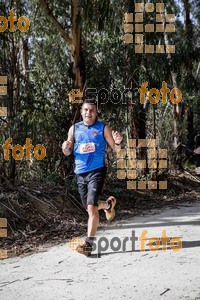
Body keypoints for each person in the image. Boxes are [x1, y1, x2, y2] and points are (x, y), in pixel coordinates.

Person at [62, 100, 123, 256]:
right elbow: (68, 151)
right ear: (82, 112)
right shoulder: (74, 129)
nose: (89, 113)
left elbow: (116, 150)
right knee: (90, 206)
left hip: (97, 171)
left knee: (91, 208)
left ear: (96, 113)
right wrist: (65, 148)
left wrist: (118, 143)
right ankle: (108, 205)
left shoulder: (103, 128)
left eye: (92, 111)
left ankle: (88, 244)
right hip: (80, 173)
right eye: (86, 110)